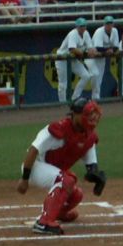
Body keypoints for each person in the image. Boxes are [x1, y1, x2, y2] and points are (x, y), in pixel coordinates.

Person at [16, 97, 105, 235]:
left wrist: (96, 177)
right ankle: (43, 222)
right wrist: (24, 179)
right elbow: (33, 150)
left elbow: (91, 166)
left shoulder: (89, 136)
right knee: (66, 181)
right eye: (87, 114)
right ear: (76, 114)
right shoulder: (58, 130)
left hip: (53, 170)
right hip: (36, 166)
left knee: (76, 195)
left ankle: (58, 213)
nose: (92, 118)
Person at [55, 18, 98, 102]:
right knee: (63, 83)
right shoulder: (73, 34)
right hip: (62, 58)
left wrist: (92, 51)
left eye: (84, 26)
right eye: (81, 26)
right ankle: (62, 103)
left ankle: (75, 98)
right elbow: (72, 49)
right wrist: (86, 54)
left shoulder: (86, 33)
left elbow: (91, 47)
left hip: (73, 59)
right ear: (77, 27)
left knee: (86, 76)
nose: (83, 28)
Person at [89, 16, 119, 100]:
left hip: (101, 57)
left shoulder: (115, 31)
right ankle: (94, 98)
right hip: (91, 57)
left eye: (110, 24)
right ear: (104, 24)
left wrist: (111, 50)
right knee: (95, 75)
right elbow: (98, 47)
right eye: (107, 24)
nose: (109, 26)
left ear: (113, 24)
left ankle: (96, 98)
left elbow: (116, 46)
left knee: (99, 78)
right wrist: (108, 50)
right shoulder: (99, 31)